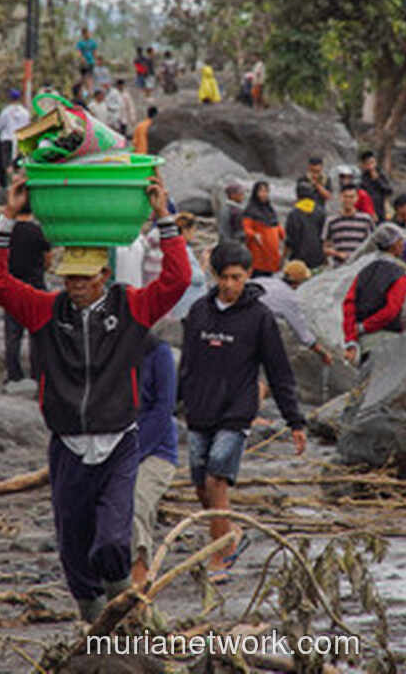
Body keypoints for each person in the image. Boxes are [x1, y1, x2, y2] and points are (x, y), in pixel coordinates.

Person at [0, 175, 190, 622]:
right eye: (69, 278)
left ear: (104, 277)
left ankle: (124, 617)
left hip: (119, 443)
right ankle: (95, 627)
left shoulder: (130, 307)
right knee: (73, 548)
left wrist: (164, 217)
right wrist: (8, 216)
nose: (74, 285)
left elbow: (177, 280)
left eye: (84, 278)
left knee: (114, 541)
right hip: (68, 445)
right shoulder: (45, 312)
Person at [180, 241, 306, 581]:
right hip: (199, 408)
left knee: (217, 478)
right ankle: (231, 532)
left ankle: (221, 555)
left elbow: (279, 371)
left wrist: (295, 420)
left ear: (248, 275)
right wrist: (178, 401)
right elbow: (187, 362)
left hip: (237, 409)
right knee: (201, 488)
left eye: (237, 277)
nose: (230, 285)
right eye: (224, 277)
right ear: (214, 275)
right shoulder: (198, 313)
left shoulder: (260, 318)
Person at [131, 337, 178, 589]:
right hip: (111, 445)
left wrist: (134, 453)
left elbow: (164, 408)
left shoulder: (158, 351)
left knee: (137, 502)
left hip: (157, 449)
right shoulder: (107, 348)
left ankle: (139, 577)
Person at [341, 224, 406, 365]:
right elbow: (392, 310)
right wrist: (366, 326)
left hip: (364, 343)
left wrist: (351, 339)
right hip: (388, 341)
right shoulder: (399, 275)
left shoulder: (363, 272)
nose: (403, 245)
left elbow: (349, 305)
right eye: (400, 241)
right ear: (393, 245)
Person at [3, 199, 52, 383]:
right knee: (37, 333)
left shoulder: (8, 232)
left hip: (13, 287)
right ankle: (37, 374)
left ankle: (13, 374)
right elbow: (48, 259)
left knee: (12, 334)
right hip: (35, 287)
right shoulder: (38, 231)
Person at [254, 260, 333, 365]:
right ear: (299, 282)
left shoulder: (265, 280)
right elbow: (303, 334)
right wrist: (323, 353)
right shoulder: (289, 298)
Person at [323, 184, 376, 266]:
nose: (348, 200)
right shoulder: (331, 221)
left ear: (357, 198)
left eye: (351, 197)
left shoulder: (366, 220)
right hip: (339, 267)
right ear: (340, 197)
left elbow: (373, 244)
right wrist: (338, 254)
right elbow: (325, 248)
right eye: (345, 197)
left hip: (359, 266)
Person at [241, 181, 283, 277]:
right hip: (258, 252)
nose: (264, 194)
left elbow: (277, 225)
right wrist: (254, 235)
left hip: (272, 253)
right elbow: (246, 228)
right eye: (261, 191)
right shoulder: (250, 210)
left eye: (266, 191)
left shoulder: (270, 209)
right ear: (255, 193)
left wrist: (281, 233)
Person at [284, 181, 327, 270]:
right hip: (317, 256)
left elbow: (290, 238)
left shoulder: (293, 213)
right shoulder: (320, 211)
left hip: (299, 257)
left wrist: (284, 257)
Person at [0, 87, 30, 187]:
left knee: (7, 163)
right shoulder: (25, 112)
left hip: (7, 139)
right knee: (20, 163)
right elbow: (27, 125)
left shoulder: (5, 112)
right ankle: (19, 183)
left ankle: (10, 184)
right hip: (21, 140)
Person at [359, 150, 393, 223]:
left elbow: (389, 191)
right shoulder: (362, 179)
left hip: (381, 210)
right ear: (364, 165)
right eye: (368, 164)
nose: (371, 166)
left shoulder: (381, 175)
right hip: (367, 213)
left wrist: (377, 180)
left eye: (372, 162)